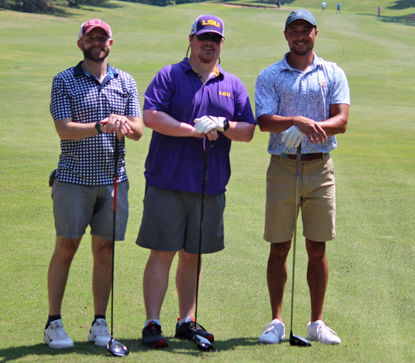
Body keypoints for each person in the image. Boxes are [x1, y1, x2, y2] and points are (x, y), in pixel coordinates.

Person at [136, 14, 256, 348]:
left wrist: (223, 125)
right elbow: (151, 116)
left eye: (215, 40)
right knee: (163, 252)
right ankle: (152, 322)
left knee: (193, 255)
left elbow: (248, 130)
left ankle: (186, 320)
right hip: (168, 181)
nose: (208, 44)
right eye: (203, 37)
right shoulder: (170, 75)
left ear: (221, 45)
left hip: (210, 185)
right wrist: (194, 129)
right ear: (190, 40)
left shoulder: (232, 85)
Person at [44, 18, 143, 349]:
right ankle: (53, 323)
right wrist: (101, 125)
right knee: (66, 247)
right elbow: (63, 128)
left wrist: (122, 123)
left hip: (114, 181)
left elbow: (139, 129)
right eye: (91, 38)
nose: (97, 43)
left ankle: (99, 322)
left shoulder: (125, 81)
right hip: (73, 180)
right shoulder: (65, 81)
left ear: (110, 44)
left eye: (103, 38)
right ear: (81, 43)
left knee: (105, 250)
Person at [255, 9, 350, 345]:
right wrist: (294, 120)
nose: (300, 36)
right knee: (279, 246)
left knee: (317, 247)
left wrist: (311, 127)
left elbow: (341, 120)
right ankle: (276, 321)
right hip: (282, 167)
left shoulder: (333, 72)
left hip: (320, 167)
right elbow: (264, 121)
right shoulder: (270, 74)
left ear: (315, 33)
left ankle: (316, 322)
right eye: (293, 30)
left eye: (305, 31)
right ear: (286, 35)